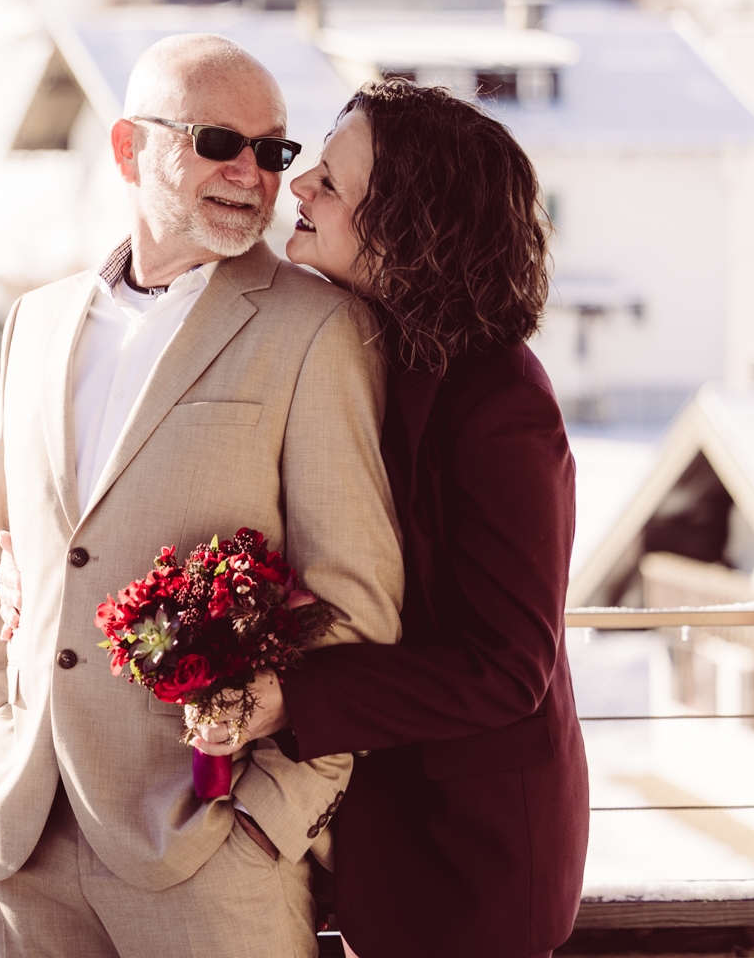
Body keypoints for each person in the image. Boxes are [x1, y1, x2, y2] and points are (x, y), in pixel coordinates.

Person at [0, 34, 404, 958]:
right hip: (24, 840)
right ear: (128, 148)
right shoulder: (36, 322)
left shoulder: (321, 329)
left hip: (211, 852)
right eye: (217, 142)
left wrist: (271, 820)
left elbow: (357, 607)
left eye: (272, 150)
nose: (252, 173)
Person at [191, 80, 589, 958]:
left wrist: (293, 698)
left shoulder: (500, 402)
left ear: (411, 223)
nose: (297, 186)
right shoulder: (375, 346)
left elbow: (507, 668)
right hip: (375, 830)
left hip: (468, 853)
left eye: (332, 183)